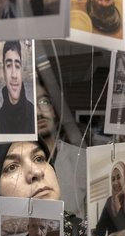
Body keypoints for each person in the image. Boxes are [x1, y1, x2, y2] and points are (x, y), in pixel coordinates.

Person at [36, 79, 87, 219]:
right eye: (30, 105)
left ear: (53, 110)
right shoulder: (15, 168)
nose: (38, 112)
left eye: (44, 102)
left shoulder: (82, 159)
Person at [91, 161, 125, 236]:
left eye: (119, 178)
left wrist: (117, 201)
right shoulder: (109, 202)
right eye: (113, 179)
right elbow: (100, 231)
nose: (115, 182)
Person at [0, 41, 35, 135]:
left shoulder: (33, 114)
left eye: (17, 66)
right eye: (9, 66)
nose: (14, 75)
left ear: (21, 71)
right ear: (4, 72)